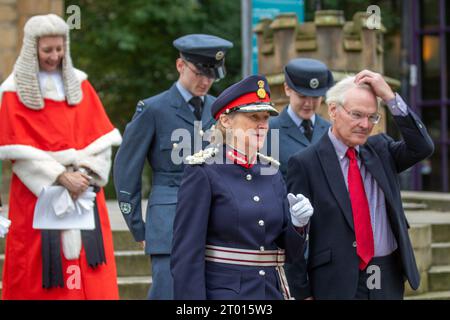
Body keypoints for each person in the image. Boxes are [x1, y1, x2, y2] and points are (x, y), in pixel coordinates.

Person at [0, 14, 121, 299]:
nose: (54, 56)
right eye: (47, 50)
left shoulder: (81, 85)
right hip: (37, 197)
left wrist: (85, 176)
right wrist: (59, 177)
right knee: (35, 271)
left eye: (59, 48)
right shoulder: (12, 93)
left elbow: (101, 143)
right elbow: (19, 154)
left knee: (91, 270)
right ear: (33, 49)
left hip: (84, 191)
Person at [286, 70, 434, 300]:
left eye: (372, 117)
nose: (365, 124)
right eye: (357, 115)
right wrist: (302, 292)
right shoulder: (305, 163)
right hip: (335, 279)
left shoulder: (381, 149)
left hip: (386, 272)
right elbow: (294, 236)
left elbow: (422, 146)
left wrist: (389, 97)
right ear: (333, 110)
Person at [171, 75, 313, 300]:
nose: (262, 125)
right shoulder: (204, 171)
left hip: (270, 293)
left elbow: (290, 254)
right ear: (226, 121)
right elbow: (187, 256)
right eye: (253, 117)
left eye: (265, 117)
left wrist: (298, 225)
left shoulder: (272, 172)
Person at [113, 34, 233, 299]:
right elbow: (126, 171)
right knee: (169, 294)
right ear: (180, 66)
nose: (206, 81)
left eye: (212, 75)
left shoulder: (219, 110)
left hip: (215, 222)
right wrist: (137, 227)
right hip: (169, 223)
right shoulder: (153, 109)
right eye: (199, 73)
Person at [268, 58, 333, 180]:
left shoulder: (331, 131)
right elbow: (265, 181)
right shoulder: (270, 131)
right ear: (287, 89)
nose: (308, 103)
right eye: (302, 96)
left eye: (315, 97)